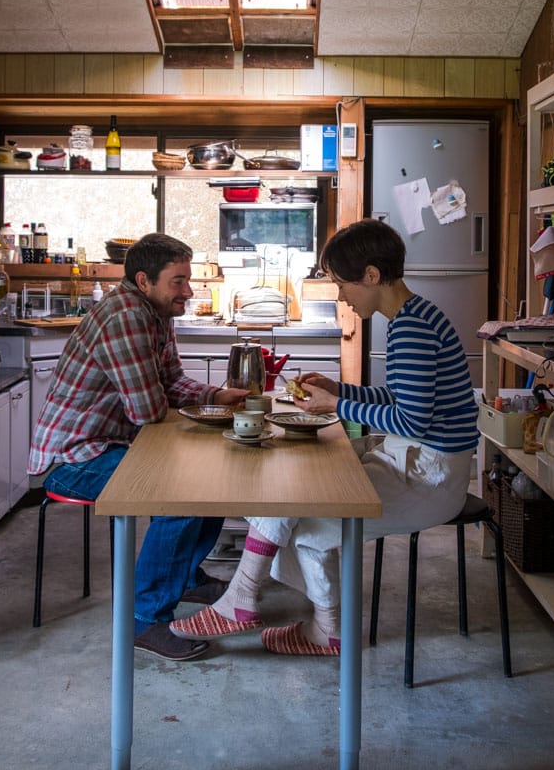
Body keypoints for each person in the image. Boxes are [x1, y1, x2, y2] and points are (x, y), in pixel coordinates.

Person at [171, 218, 479, 656]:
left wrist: (335, 407)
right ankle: (255, 602)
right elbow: (401, 396)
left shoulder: (410, 328)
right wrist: (342, 391)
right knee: (295, 479)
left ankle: (316, 626)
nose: (342, 298)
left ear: (371, 275)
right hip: (417, 459)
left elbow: (410, 420)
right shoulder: (416, 315)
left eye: (343, 286)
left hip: (429, 476)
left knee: (309, 523)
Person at [28, 233, 248, 661]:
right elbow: (149, 410)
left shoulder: (156, 310)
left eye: (189, 280)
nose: (188, 291)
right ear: (144, 280)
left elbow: (171, 380)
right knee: (178, 496)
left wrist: (215, 397)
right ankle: (144, 621)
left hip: (113, 443)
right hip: (75, 456)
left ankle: (184, 578)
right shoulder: (125, 316)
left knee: (209, 477)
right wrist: (185, 403)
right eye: (179, 281)